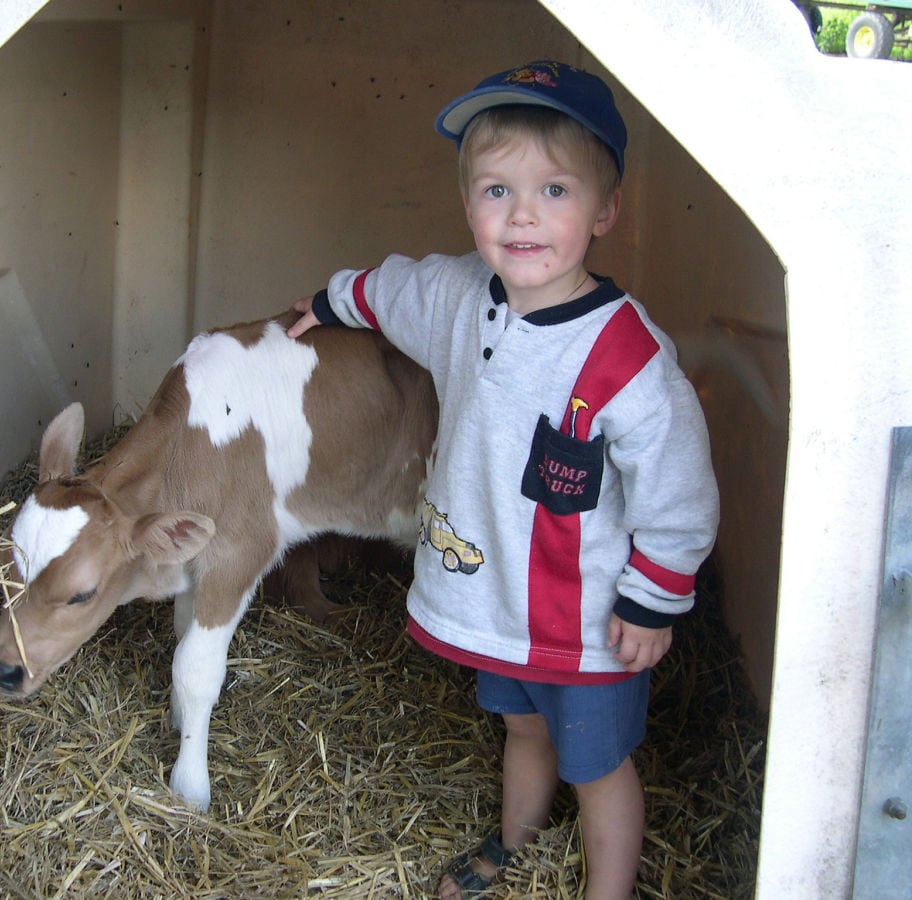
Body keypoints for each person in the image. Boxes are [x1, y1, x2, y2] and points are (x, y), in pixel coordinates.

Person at [287, 60, 719, 900]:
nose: (522, 214)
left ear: (606, 209)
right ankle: (514, 849)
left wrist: (654, 595)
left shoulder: (626, 354)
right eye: (496, 190)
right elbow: (394, 287)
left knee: (599, 766)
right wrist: (331, 301)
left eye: (555, 191)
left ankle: (610, 890)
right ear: (469, 205)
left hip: (590, 622)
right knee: (522, 731)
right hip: (496, 603)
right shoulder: (458, 295)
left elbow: (680, 484)